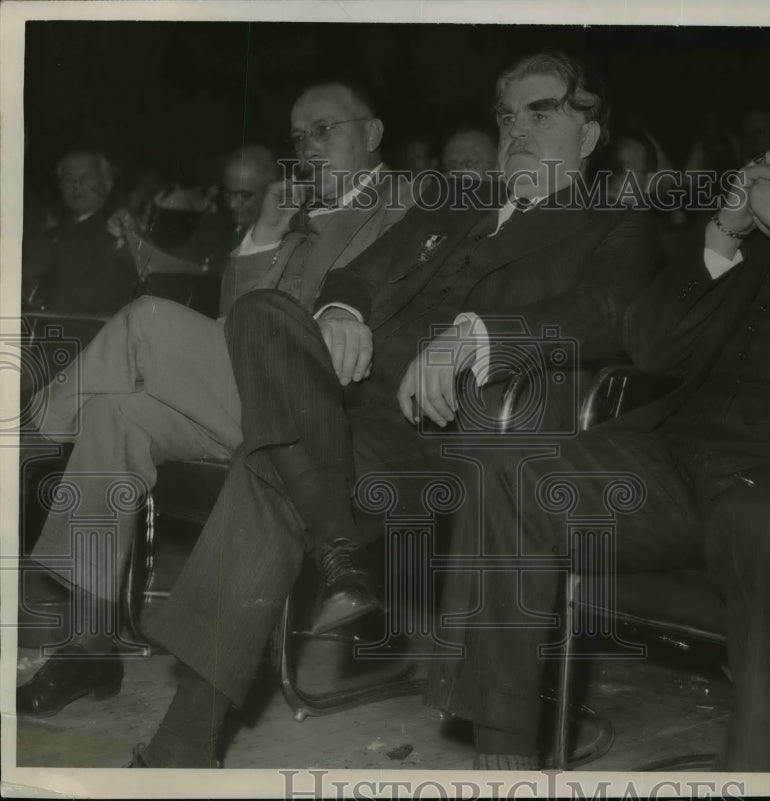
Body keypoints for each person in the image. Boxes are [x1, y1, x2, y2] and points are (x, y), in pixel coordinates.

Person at [424, 37, 770, 771]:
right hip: (682, 457)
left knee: (760, 515)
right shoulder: (753, 224)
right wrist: (723, 233)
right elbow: (651, 345)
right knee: (514, 471)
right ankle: (503, 752)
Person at [125, 50, 658, 768]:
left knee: (274, 461)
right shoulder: (453, 207)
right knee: (262, 313)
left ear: (589, 137)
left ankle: (183, 743)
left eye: (542, 112)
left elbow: (607, 312)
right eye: (507, 116)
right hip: (362, 413)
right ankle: (340, 550)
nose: (516, 131)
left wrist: (477, 335)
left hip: (472, 432)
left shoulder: (610, 225)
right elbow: (355, 272)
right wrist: (343, 308)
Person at [17, 81, 413, 719]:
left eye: (325, 129)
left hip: (321, 414)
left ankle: (22, 446)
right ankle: (89, 644)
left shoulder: (409, 205)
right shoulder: (301, 209)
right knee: (113, 414)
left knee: (146, 318)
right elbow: (236, 321)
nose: (307, 146)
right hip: (245, 396)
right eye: (297, 136)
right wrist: (261, 236)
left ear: (372, 134)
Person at [106, 145, 279, 283]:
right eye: (227, 193)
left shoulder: (285, 235)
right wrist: (133, 232)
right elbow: (173, 263)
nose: (233, 205)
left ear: (272, 190)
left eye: (244, 195)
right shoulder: (215, 224)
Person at [28, 149, 138, 315]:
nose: (76, 185)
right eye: (68, 178)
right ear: (59, 186)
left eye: (86, 177)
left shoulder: (119, 229)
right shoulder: (53, 231)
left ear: (107, 184)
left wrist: (127, 237)